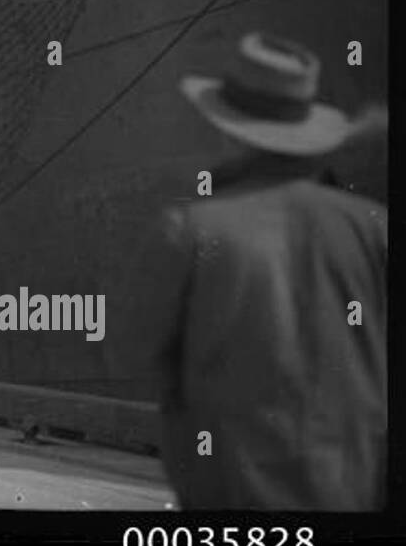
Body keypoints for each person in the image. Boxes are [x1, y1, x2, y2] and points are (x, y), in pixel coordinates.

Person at [134, 32, 386, 511]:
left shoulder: (190, 229)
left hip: (232, 498)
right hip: (353, 494)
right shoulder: (372, 229)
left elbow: (137, 350)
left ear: (227, 128)